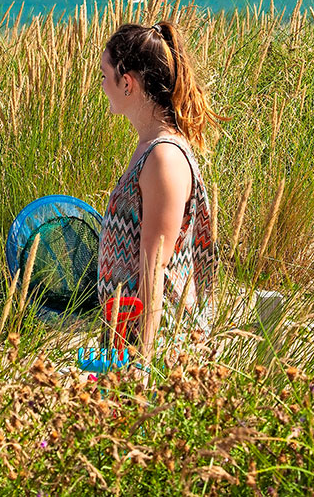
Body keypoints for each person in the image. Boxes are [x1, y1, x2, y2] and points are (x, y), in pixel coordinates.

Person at [97, 21, 220, 368]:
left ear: (127, 83)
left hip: (159, 343)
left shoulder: (164, 157)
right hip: (126, 332)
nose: (102, 85)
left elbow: (156, 267)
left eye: (105, 75)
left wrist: (144, 361)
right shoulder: (148, 147)